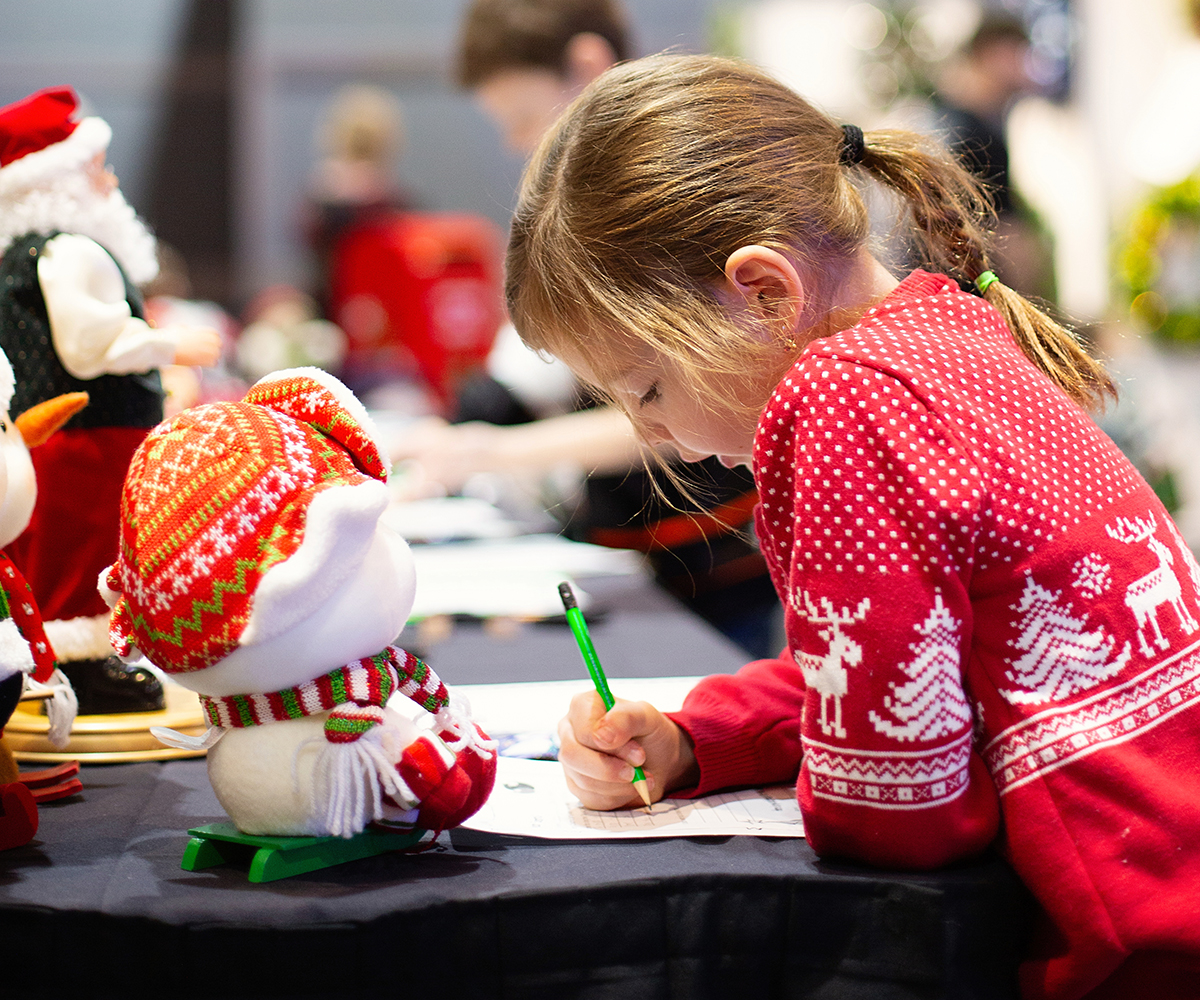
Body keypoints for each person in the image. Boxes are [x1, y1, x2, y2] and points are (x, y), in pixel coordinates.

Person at [506, 54, 1200, 1000]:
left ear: (764, 295)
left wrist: (834, 775)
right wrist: (695, 737)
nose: (651, 434)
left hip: (1141, 957)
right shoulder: (944, 335)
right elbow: (898, 669)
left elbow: (902, 807)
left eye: (648, 390)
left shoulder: (836, 399)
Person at [392, 0, 782, 657]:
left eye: (520, 118)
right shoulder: (596, 192)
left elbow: (696, 404)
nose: (517, 143)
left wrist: (495, 452)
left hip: (710, 552)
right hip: (645, 544)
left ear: (586, 66)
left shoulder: (669, 185)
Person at [0, 86, 221, 714]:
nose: (112, 180)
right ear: (61, 180)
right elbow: (86, 341)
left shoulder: (23, 255)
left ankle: (72, 658)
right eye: (98, 167)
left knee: (65, 546)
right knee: (86, 547)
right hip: (90, 433)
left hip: (70, 432)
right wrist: (164, 342)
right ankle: (85, 664)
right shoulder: (70, 251)